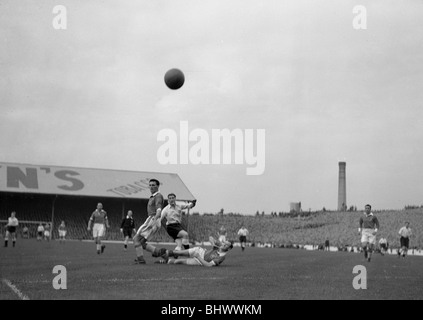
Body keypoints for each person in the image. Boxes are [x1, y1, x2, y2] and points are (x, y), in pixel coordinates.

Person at [133, 179, 166, 264]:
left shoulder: (158, 196)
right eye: (150, 185)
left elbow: (159, 209)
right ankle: (163, 254)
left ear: (158, 186)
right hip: (154, 220)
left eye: (153, 185)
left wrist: (155, 219)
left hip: (152, 219)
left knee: (136, 239)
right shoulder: (153, 196)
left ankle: (141, 260)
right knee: (141, 243)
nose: (151, 187)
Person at [158, 236, 233, 267]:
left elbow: (209, 265)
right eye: (224, 243)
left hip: (200, 261)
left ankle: (164, 260)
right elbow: (210, 237)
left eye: (226, 245)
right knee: (179, 252)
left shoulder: (221, 257)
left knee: (179, 261)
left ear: (229, 249)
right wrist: (213, 244)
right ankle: (164, 253)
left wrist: (198, 257)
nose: (223, 245)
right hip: (200, 251)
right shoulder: (219, 245)